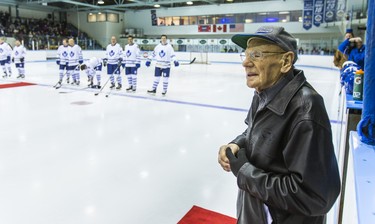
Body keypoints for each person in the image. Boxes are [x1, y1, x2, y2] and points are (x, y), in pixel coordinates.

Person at [217, 26, 340, 224]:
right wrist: (238, 143)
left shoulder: (306, 109)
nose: (246, 63)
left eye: (256, 55)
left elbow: (315, 197)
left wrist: (245, 172)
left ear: (285, 61)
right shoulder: (263, 92)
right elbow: (256, 131)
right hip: (256, 213)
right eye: (246, 55)